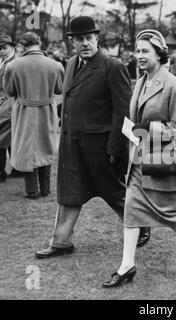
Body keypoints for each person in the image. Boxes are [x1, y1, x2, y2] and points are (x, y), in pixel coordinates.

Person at [35, 16, 148, 259]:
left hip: (101, 148)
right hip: (72, 146)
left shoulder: (112, 66)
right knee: (69, 193)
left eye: (88, 38)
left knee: (115, 192)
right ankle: (62, 242)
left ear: (97, 39)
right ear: (72, 43)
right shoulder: (71, 63)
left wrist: (116, 148)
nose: (84, 43)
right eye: (79, 40)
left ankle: (141, 225)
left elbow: (123, 111)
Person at [102, 30, 176, 288]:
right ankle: (127, 265)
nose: (139, 56)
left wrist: (147, 129)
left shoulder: (173, 85)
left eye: (145, 51)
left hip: (162, 160)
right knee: (131, 210)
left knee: (170, 212)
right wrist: (132, 133)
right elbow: (137, 121)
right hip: (139, 160)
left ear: (160, 54)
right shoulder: (141, 81)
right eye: (137, 51)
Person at [4, 32, 64, 198]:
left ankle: (32, 190)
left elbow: (10, 91)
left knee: (28, 148)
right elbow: (59, 89)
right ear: (40, 43)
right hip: (47, 110)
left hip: (24, 111)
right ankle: (46, 189)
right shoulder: (56, 65)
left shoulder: (13, 66)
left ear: (22, 46)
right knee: (46, 145)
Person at [0, 35, 17, 183]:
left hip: (10, 103)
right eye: (0, 48)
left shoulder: (15, 62)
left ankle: (2, 173)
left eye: (4, 48)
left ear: (12, 47)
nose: (2, 51)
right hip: (3, 102)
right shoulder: (3, 61)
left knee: (4, 138)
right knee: (9, 138)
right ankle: (16, 169)